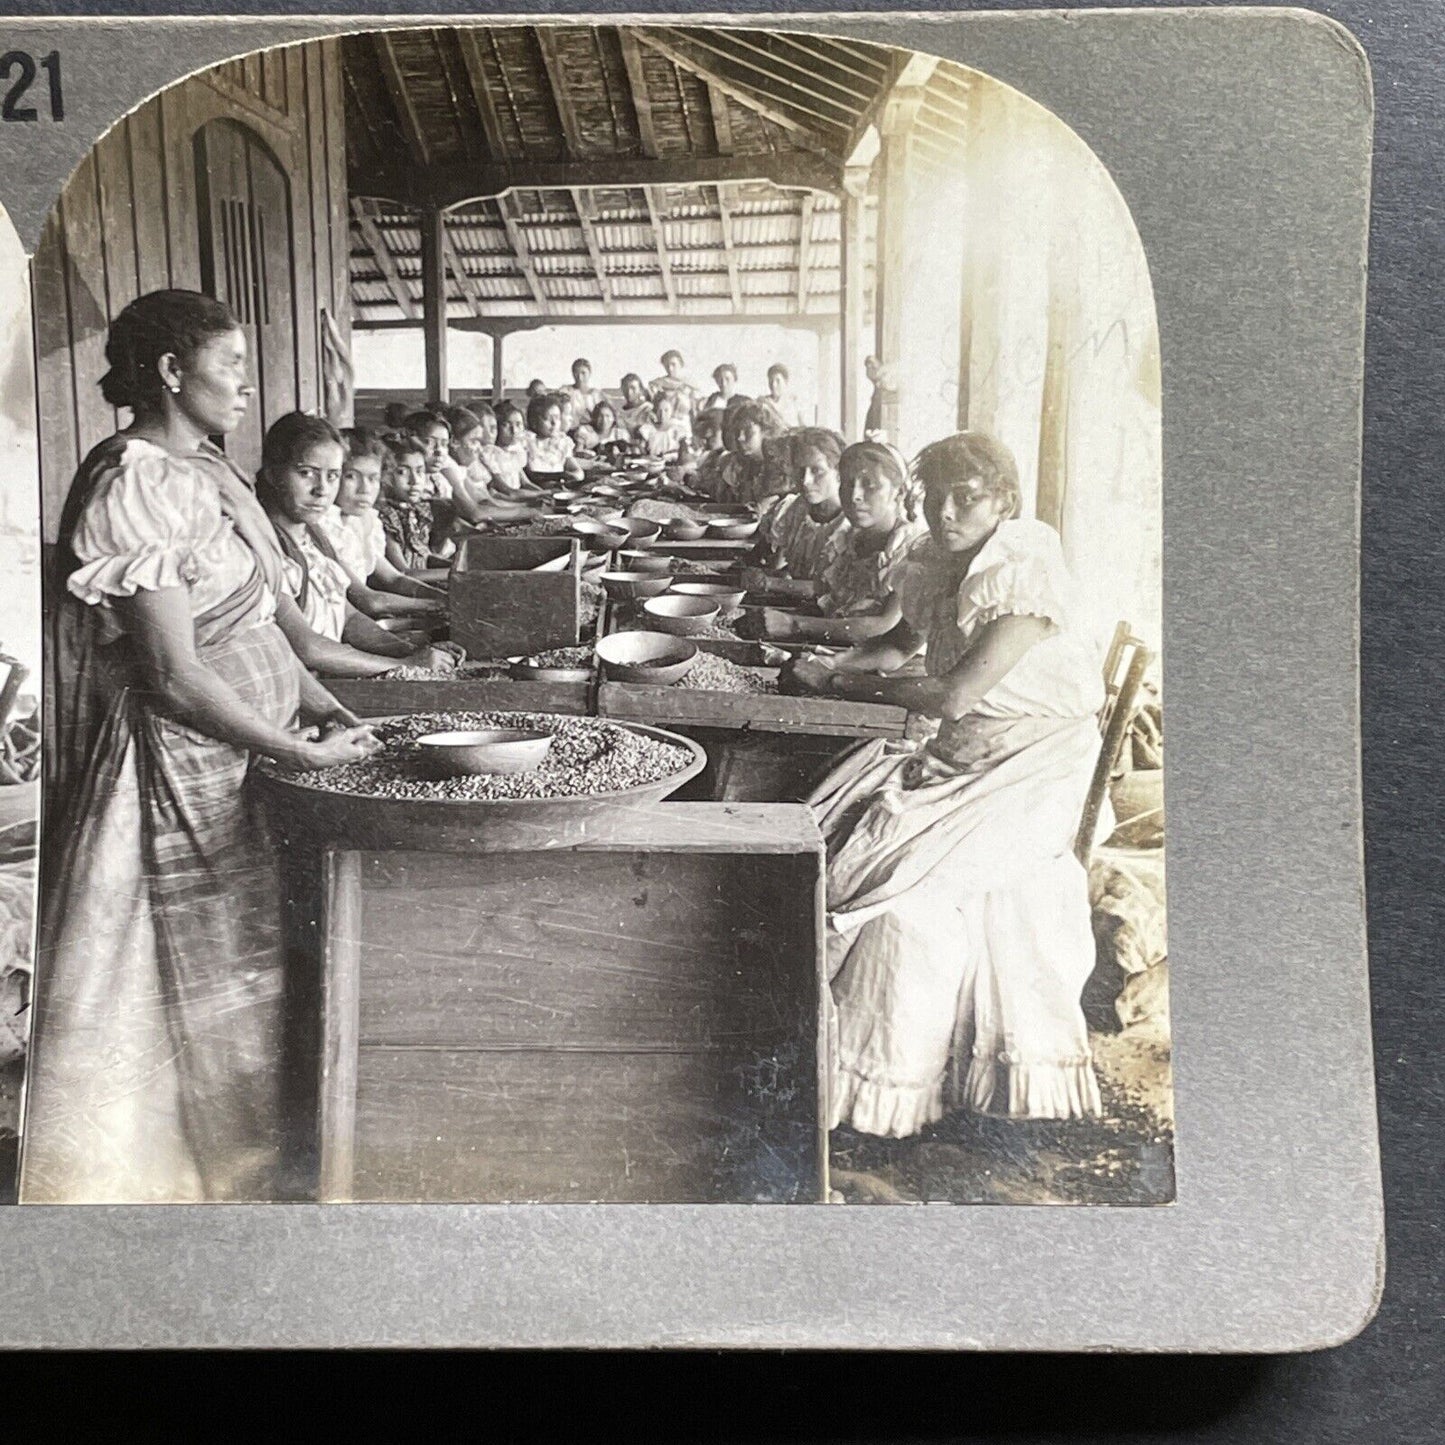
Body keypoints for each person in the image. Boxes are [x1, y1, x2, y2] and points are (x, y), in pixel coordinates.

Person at [19, 290, 382, 1203]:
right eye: (232, 370)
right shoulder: (133, 479)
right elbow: (175, 676)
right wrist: (294, 751)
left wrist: (327, 710)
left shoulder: (206, 473)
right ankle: (182, 1192)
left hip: (243, 760)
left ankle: (254, 1164)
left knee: (248, 972)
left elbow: (261, 629)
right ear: (172, 374)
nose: (247, 391)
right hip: (170, 772)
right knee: (168, 991)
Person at [785, 432, 1107, 1136]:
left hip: (1033, 764)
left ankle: (889, 1087)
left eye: (968, 497)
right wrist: (829, 661)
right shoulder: (934, 559)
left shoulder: (1023, 571)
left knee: (887, 871)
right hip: (964, 751)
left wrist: (844, 682)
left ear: (1006, 502)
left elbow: (956, 692)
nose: (947, 511)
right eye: (935, 496)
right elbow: (900, 645)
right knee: (840, 828)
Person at [257, 413, 453, 675]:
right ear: (273, 474)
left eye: (333, 476)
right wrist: (404, 665)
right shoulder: (267, 546)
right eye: (306, 473)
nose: (322, 490)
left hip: (336, 674)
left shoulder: (313, 535)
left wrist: (407, 650)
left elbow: (348, 618)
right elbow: (309, 648)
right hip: (306, 688)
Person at [755, 441, 926, 645]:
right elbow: (822, 590)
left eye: (870, 485)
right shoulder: (849, 537)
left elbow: (882, 623)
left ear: (898, 493)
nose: (855, 496)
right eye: (848, 484)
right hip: (841, 648)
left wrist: (793, 623)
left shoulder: (911, 547)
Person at [323, 428, 448, 623]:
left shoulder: (363, 521)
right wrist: (439, 604)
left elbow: (394, 579)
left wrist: (443, 597)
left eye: (373, 478)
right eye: (351, 477)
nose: (365, 489)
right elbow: (369, 600)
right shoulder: (325, 528)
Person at [757, 428, 851, 585]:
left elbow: (828, 592)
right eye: (800, 470)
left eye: (817, 470)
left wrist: (772, 583)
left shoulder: (849, 525)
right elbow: (777, 564)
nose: (806, 480)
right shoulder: (795, 510)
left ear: (839, 473)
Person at [523, 392, 585, 483]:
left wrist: (572, 476)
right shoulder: (526, 442)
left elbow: (579, 472)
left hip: (559, 489)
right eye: (547, 418)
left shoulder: (561, 443)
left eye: (557, 418)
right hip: (534, 489)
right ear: (533, 421)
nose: (554, 423)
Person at [649, 349, 697, 419]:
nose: (670, 368)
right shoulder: (657, 384)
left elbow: (694, 411)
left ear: (681, 364)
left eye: (673, 364)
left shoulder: (689, 386)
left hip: (684, 424)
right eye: (667, 365)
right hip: (663, 425)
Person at [760, 362, 805, 430]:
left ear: (785, 382)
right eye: (771, 381)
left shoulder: (795, 404)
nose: (774, 385)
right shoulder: (763, 404)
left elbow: (804, 429)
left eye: (778, 381)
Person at [617, 372, 657, 438]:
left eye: (633, 388)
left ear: (640, 390)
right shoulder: (619, 412)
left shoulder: (647, 409)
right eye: (626, 388)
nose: (629, 392)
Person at [562, 358, 602, 422]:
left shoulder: (596, 395)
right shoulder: (566, 391)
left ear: (590, 373)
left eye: (583, 373)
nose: (580, 377)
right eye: (576, 373)